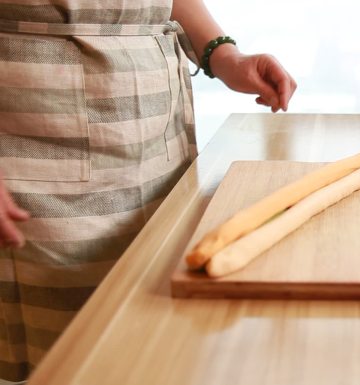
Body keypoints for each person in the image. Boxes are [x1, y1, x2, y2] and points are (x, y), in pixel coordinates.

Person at [0, 0, 296, 381]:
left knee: (149, 337)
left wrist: (225, 55)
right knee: (70, 356)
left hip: (157, 146)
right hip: (35, 143)